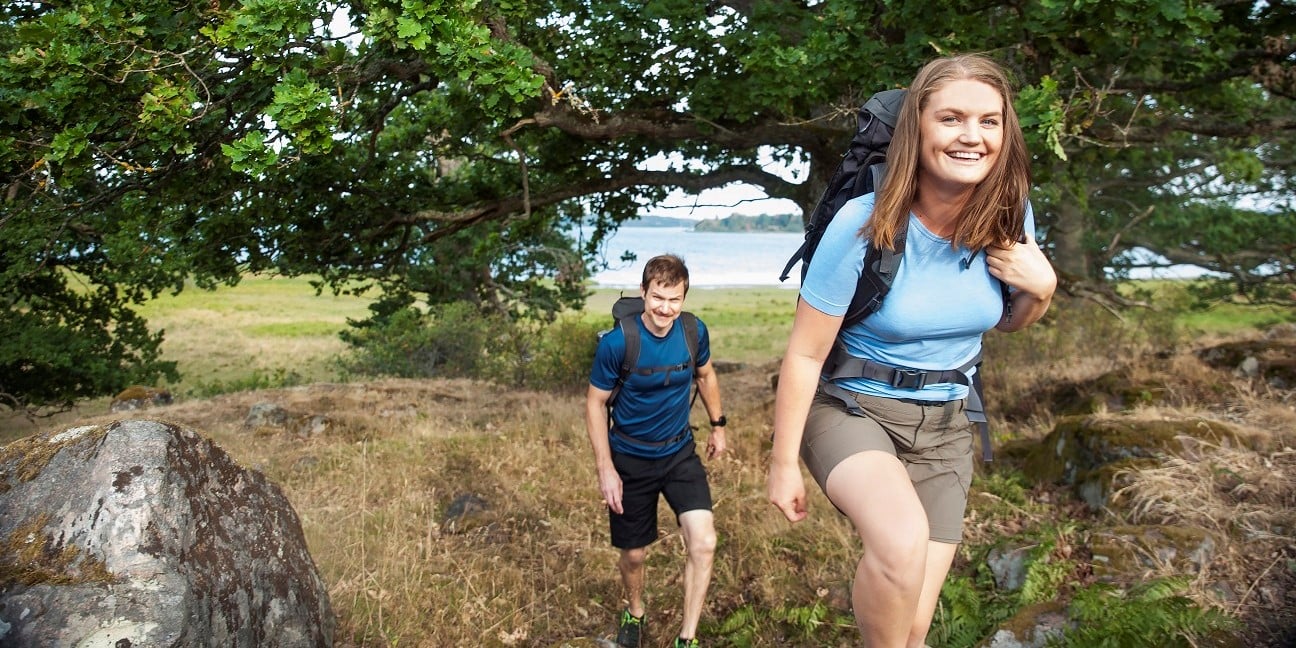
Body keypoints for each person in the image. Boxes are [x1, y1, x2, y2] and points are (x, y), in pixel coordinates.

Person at [766, 53, 1058, 647]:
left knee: (912, 626)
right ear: (917, 128)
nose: (972, 137)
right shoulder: (863, 223)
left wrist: (1043, 291)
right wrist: (781, 463)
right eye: (951, 119)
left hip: (949, 425)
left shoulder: (1011, 216)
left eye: (989, 121)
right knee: (899, 547)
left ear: (1007, 132)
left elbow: (1005, 321)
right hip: (853, 409)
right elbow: (803, 355)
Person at [585, 254, 728, 648]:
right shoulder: (618, 343)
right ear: (644, 293)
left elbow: (706, 374)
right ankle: (634, 612)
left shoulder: (693, 332)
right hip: (630, 459)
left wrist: (718, 425)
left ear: (684, 298)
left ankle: (687, 638)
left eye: (675, 299)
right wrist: (606, 469)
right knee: (634, 556)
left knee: (704, 542)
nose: (665, 308)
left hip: (679, 453)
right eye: (658, 297)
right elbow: (595, 403)